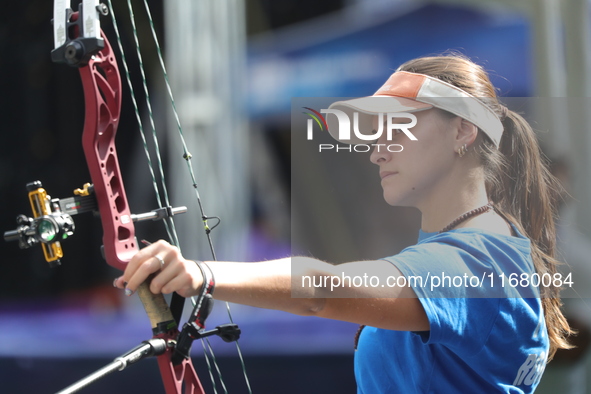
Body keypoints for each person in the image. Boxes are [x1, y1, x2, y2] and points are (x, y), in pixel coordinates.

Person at [114, 55, 573, 393]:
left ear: (463, 131)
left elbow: (321, 290)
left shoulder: (477, 262)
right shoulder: (491, 246)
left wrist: (204, 274)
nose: (377, 150)